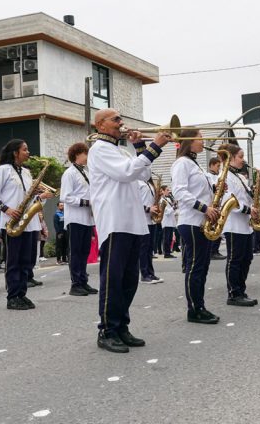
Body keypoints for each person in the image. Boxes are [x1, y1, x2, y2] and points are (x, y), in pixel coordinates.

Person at [88, 108, 170, 352]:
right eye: (116, 119)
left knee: (129, 279)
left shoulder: (120, 149)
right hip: (114, 221)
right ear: (101, 125)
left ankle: (121, 325)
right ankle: (107, 330)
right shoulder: (99, 149)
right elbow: (126, 173)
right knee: (113, 279)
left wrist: (140, 146)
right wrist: (154, 146)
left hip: (132, 220)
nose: (121, 123)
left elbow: (142, 173)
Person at [0, 139, 51, 310]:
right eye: (25, 149)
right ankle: (12, 296)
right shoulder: (3, 170)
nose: (28, 152)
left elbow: (30, 198)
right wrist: (6, 209)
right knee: (13, 261)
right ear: (15, 152)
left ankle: (22, 294)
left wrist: (40, 198)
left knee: (26, 261)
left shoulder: (27, 172)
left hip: (29, 223)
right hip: (12, 223)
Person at [172, 128, 224, 324]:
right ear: (189, 141)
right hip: (192, 221)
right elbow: (179, 192)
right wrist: (204, 208)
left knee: (202, 266)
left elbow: (196, 190)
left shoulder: (194, 164)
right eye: (200, 138)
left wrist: (215, 189)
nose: (203, 141)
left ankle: (199, 306)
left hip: (200, 221)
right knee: (195, 267)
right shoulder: (182, 163)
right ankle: (194, 309)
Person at [217, 144, 258, 306]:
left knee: (247, 258)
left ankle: (241, 289)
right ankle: (234, 293)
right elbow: (229, 201)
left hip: (245, 224)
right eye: (240, 157)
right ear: (230, 158)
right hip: (233, 224)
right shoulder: (224, 176)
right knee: (235, 259)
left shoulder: (239, 176)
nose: (243, 160)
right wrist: (249, 209)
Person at [60, 142, 97, 295]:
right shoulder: (69, 173)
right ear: (77, 155)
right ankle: (75, 284)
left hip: (87, 218)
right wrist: (86, 202)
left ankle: (83, 280)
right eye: (85, 153)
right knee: (75, 252)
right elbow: (65, 197)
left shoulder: (86, 172)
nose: (87, 156)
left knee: (84, 251)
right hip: (75, 218)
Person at [137, 178, 163, 284]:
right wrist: (148, 209)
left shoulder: (148, 183)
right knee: (143, 249)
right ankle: (144, 274)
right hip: (143, 220)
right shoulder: (137, 182)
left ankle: (150, 273)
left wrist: (158, 196)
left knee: (150, 249)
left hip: (151, 220)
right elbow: (135, 202)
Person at [205, 157, 225, 261]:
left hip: (218, 204)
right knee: (214, 227)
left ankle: (215, 250)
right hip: (212, 204)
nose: (218, 168)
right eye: (218, 166)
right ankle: (213, 251)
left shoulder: (217, 176)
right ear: (211, 165)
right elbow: (213, 188)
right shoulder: (208, 176)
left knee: (218, 228)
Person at [160, 186, 178, 259]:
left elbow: (172, 210)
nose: (169, 191)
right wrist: (173, 207)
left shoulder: (167, 199)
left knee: (170, 238)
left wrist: (175, 206)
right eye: (167, 190)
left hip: (170, 222)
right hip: (166, 222)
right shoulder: (162, 200)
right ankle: (166, 253)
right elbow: (166, 212)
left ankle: (168, 251)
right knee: (166, 239)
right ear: (163, 191)